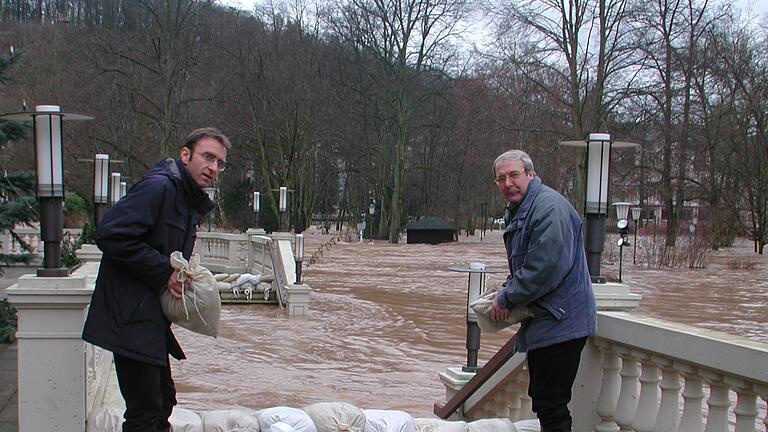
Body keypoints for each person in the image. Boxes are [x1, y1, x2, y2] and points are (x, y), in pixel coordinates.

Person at [83, 128, 231, 432]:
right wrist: (163, 271)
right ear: (185, 154)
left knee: (162, 401)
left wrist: (174, 274)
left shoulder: (184, 197)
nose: (213, 167)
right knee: (147, 413)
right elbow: (110, 233)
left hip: (145, 316)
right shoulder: (159, 188)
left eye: (219, 163)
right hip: (130, 316)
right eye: (208, 157)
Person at [489, 149, 596, 432]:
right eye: (501, 179)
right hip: (552, 320)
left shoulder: (549, 208)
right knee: (546, 402)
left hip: (561, 321)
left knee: (551, 404)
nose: (508, 183)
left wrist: (507, 297)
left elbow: (543, 268)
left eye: (514, 175)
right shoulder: (529, 207)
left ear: (530, 174)